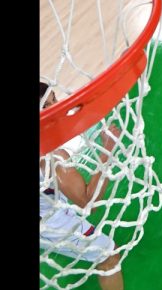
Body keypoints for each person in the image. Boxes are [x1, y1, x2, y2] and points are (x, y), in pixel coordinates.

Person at [39, 82, 124, 290]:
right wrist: (108, 150)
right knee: (108, 255)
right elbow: (89, 203)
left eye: (54, 101)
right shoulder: (52, 157)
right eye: (46, 106)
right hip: (45, 220)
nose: (56, 109)